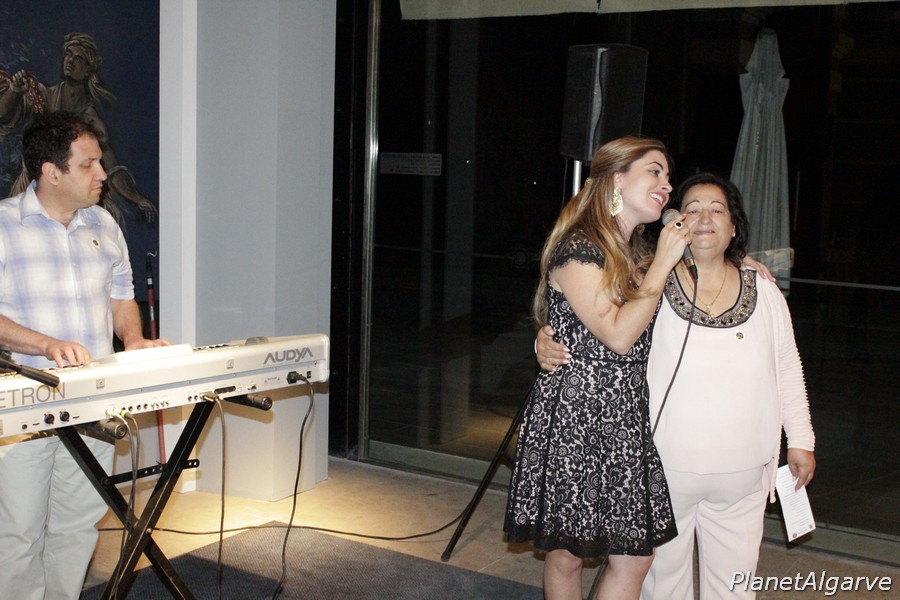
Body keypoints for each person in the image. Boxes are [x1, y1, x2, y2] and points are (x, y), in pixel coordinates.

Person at [536, 172, 816, 599]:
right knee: (662, 587)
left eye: (717, 210)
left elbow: (787, 366)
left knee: (735, 588)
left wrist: (801, 440)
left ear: (734, 227)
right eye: (692, 209)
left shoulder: (764, 289)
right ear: (675, 224)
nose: (704, 218)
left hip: (743, 474)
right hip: (664, 469)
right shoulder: (646, 284)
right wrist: (544, 338)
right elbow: (592, 323)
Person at [504, 136, 693, 600]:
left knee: (636, 556)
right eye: (654, 171)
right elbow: (618, 335)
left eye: (668, 176)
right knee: (568, 555)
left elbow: (700, 286)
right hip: (577, 417)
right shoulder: (579, 249)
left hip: (624, 419)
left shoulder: (639, 254)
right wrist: (662, 264)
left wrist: (743, 263)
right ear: (617, 179)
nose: (667, 185)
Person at [0, 111, 169, 600]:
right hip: (24, 405)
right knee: (19, 530)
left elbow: (121, 296)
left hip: (94, 401)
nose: (102, 174)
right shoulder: (4, 225)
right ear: (51, 172)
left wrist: (132, 339)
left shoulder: (104, 224)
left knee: (78, 522)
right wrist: (45, 344)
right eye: (89, 164)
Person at [0, 32, 157, 225]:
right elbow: (3, 116)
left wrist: (137, 198)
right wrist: (15, 90)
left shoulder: (91, 121)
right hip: (32, 192)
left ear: (88, 69)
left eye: (78, 58)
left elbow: (112, 168)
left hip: (71, 204)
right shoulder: (44, 96)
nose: (70, 61)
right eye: (68, 55)